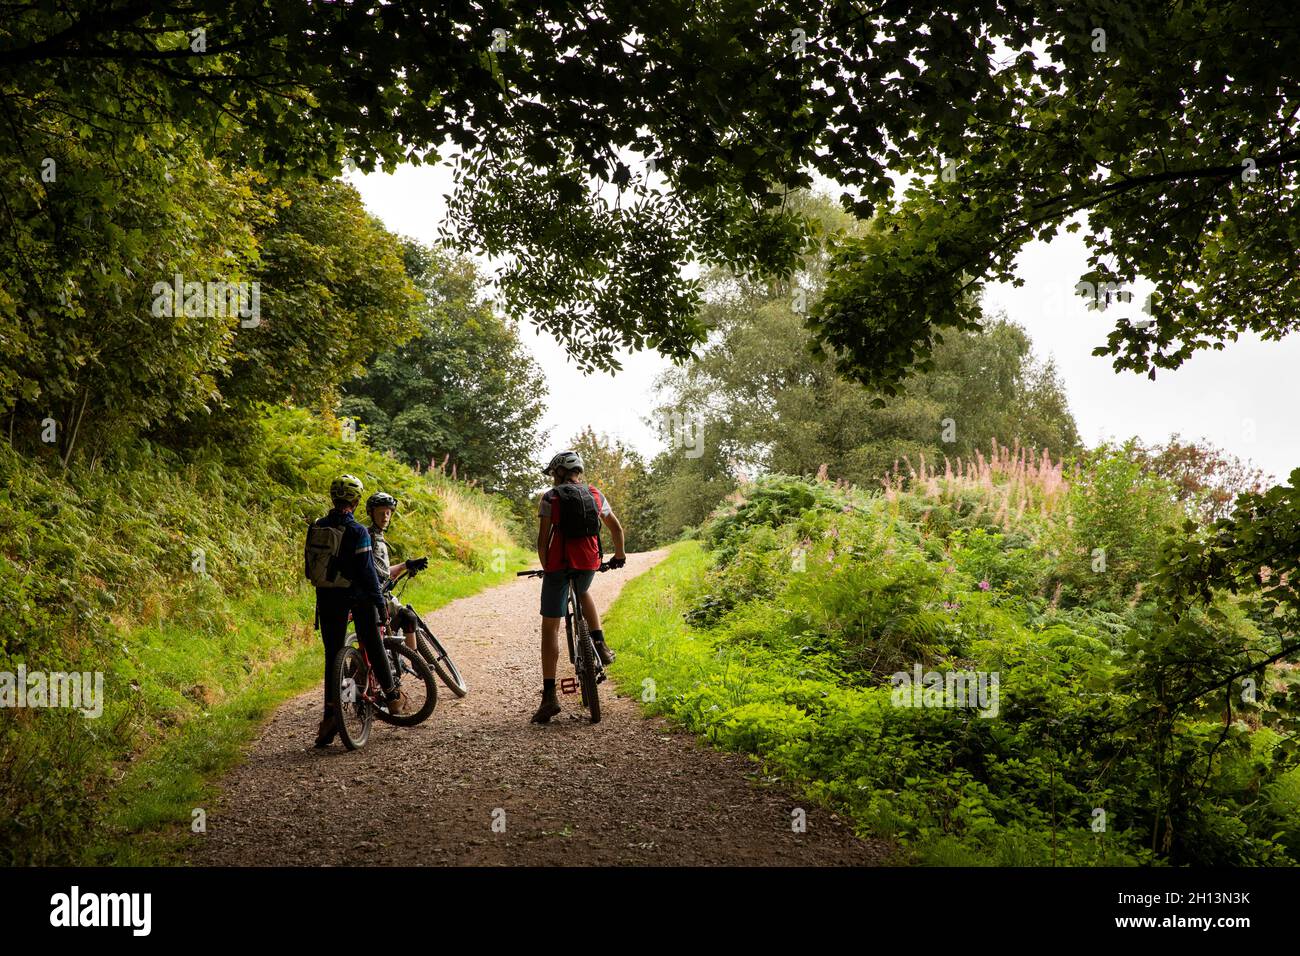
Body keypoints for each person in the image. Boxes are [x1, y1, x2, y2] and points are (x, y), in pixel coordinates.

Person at [306, 474, 410, 748]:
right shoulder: (358, 532)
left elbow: (310, 568)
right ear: (356, 501)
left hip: (327, 597)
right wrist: (379, 604)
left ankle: (330, 717)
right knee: (371, 639)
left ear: (333, 498)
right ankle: (392, 695)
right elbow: (367, 574)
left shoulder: (317, 526)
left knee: (333, 656)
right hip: (358, 597)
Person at [531, 450, 626, 724]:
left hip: (558, 564)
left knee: (550, 626)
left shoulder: (550, 498)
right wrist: (618, 556)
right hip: (588, 562)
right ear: (578, 472)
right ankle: (601, 645)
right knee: (583, 592)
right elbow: (616, 529)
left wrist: (548, 567)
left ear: (559, 473)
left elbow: (542, 541)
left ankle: (550, 696)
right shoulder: (595, 494)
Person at [364, 491, 429, 651]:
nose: (385, 517)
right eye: (381, 513)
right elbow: (379, 574)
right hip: (377, 596)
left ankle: (404, 656)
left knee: (404, 619)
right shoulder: (370, 537)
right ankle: (416, 661)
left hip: (379, 593)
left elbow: (383, 571)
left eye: (388, 513)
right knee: (409, 617)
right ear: (371, 513)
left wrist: (406, 565)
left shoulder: (376, 536)